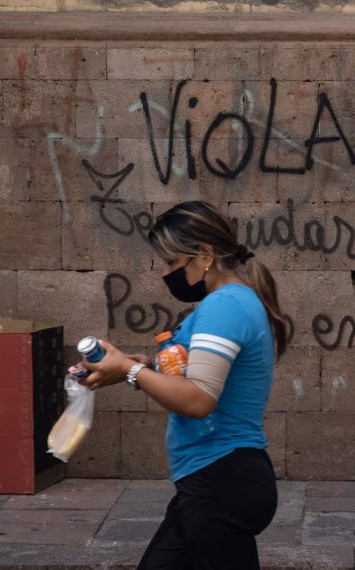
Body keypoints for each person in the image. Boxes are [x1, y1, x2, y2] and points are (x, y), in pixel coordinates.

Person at [80, 199, 287, 569]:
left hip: (221, 483)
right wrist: (134, 365)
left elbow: (199, 399)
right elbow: (195, 377)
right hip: (212, 484)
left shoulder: (223, 306)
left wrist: (129, 373)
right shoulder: (233, 301)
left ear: (205, 254)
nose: (166, 272)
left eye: (172, 262)